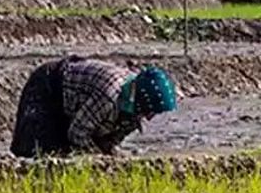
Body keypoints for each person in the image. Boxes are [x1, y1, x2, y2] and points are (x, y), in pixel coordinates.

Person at [11, 56, 178, 158]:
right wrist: (99, 159)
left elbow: (110, 141)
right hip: (49, 88)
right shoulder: (109, 95)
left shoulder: (133, 110)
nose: (150, 117)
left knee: (70, 154)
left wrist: (110, 155)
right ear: (144, 101)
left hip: (76, 103)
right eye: (151, 111)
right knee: (38, 152)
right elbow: (77, 133)